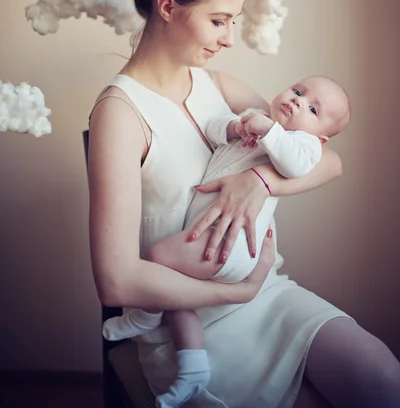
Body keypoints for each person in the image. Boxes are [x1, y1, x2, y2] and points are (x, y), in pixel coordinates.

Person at [88, 0, 400, 408]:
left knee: (382, 378)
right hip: (184, 324)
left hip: (268, 294)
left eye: (233, 20)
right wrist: (232, 293)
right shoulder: (119, 115)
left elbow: (328, 159)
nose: (230, 37)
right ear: (168, 7)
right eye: (219, 20)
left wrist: (260, 180)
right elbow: (118, 278)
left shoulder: (222, 87)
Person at [102, 75, 351, 408]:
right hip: (218, 244)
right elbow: (214, 128)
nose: (297, 101)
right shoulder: (257, 119)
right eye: (297, 90)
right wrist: (236, 128)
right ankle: (193, 367)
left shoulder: (298, 142)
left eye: (312, 108)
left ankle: (144, 317)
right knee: (176, 293)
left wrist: (264, 154)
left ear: (320, 137)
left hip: (230, 244)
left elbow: (299, 163)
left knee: (159, 257)